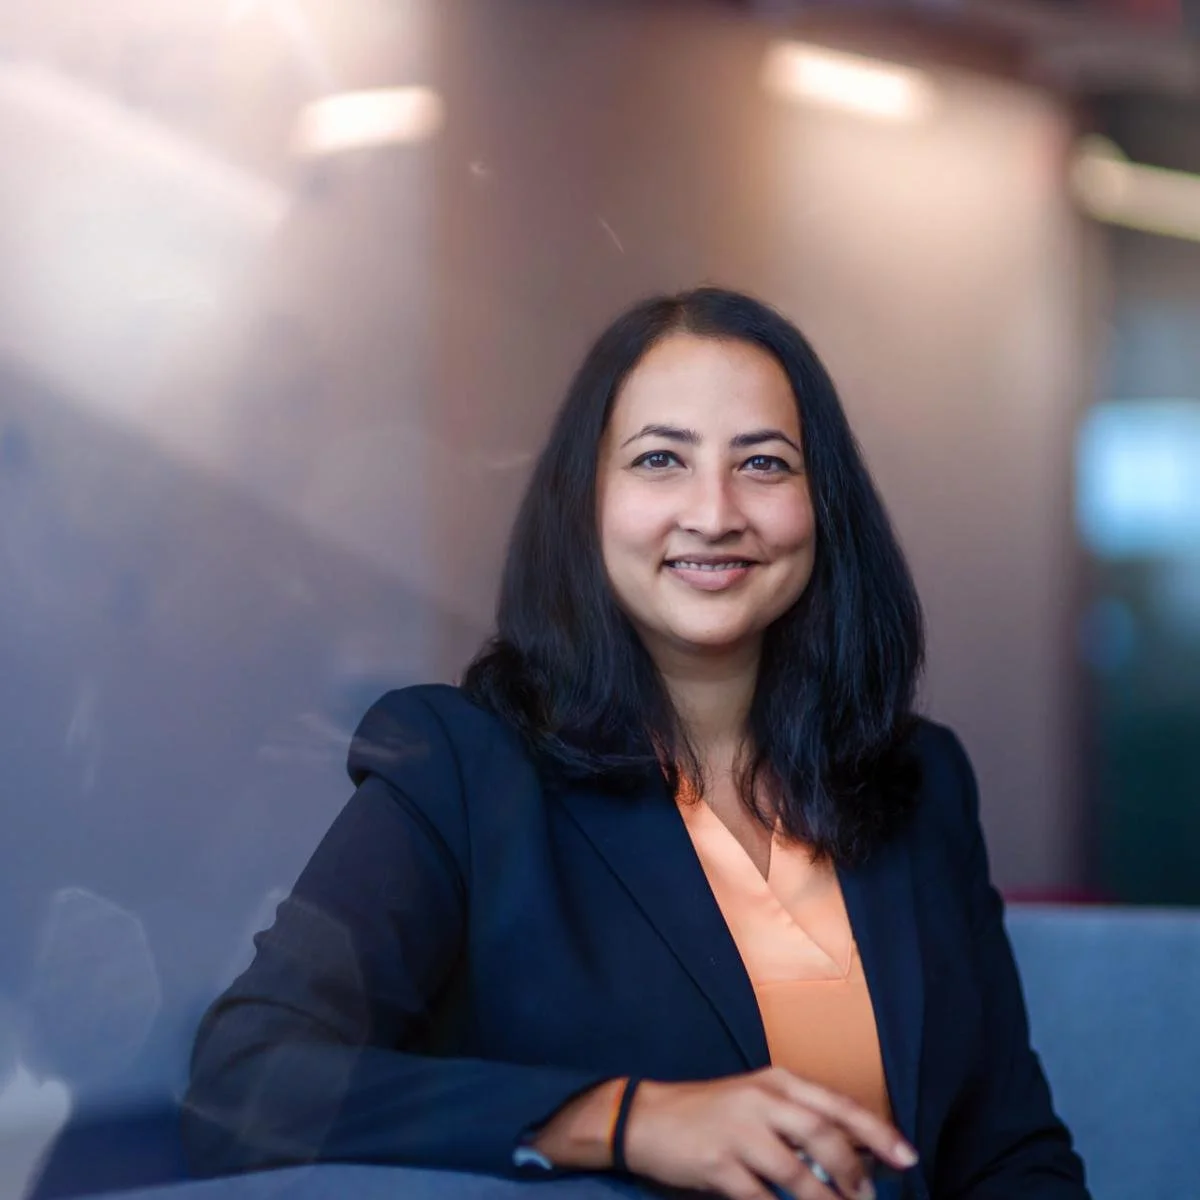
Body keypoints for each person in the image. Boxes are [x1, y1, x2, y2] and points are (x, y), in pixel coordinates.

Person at [182, 288, 1090, 1200]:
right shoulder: (462, 769)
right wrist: (624, 1119)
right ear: (586, 502)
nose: (714, 511)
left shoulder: (920, 781)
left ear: (823, 505)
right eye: (661, 459)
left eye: (764, 464)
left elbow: (1007, 1153)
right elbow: (250, 1083)